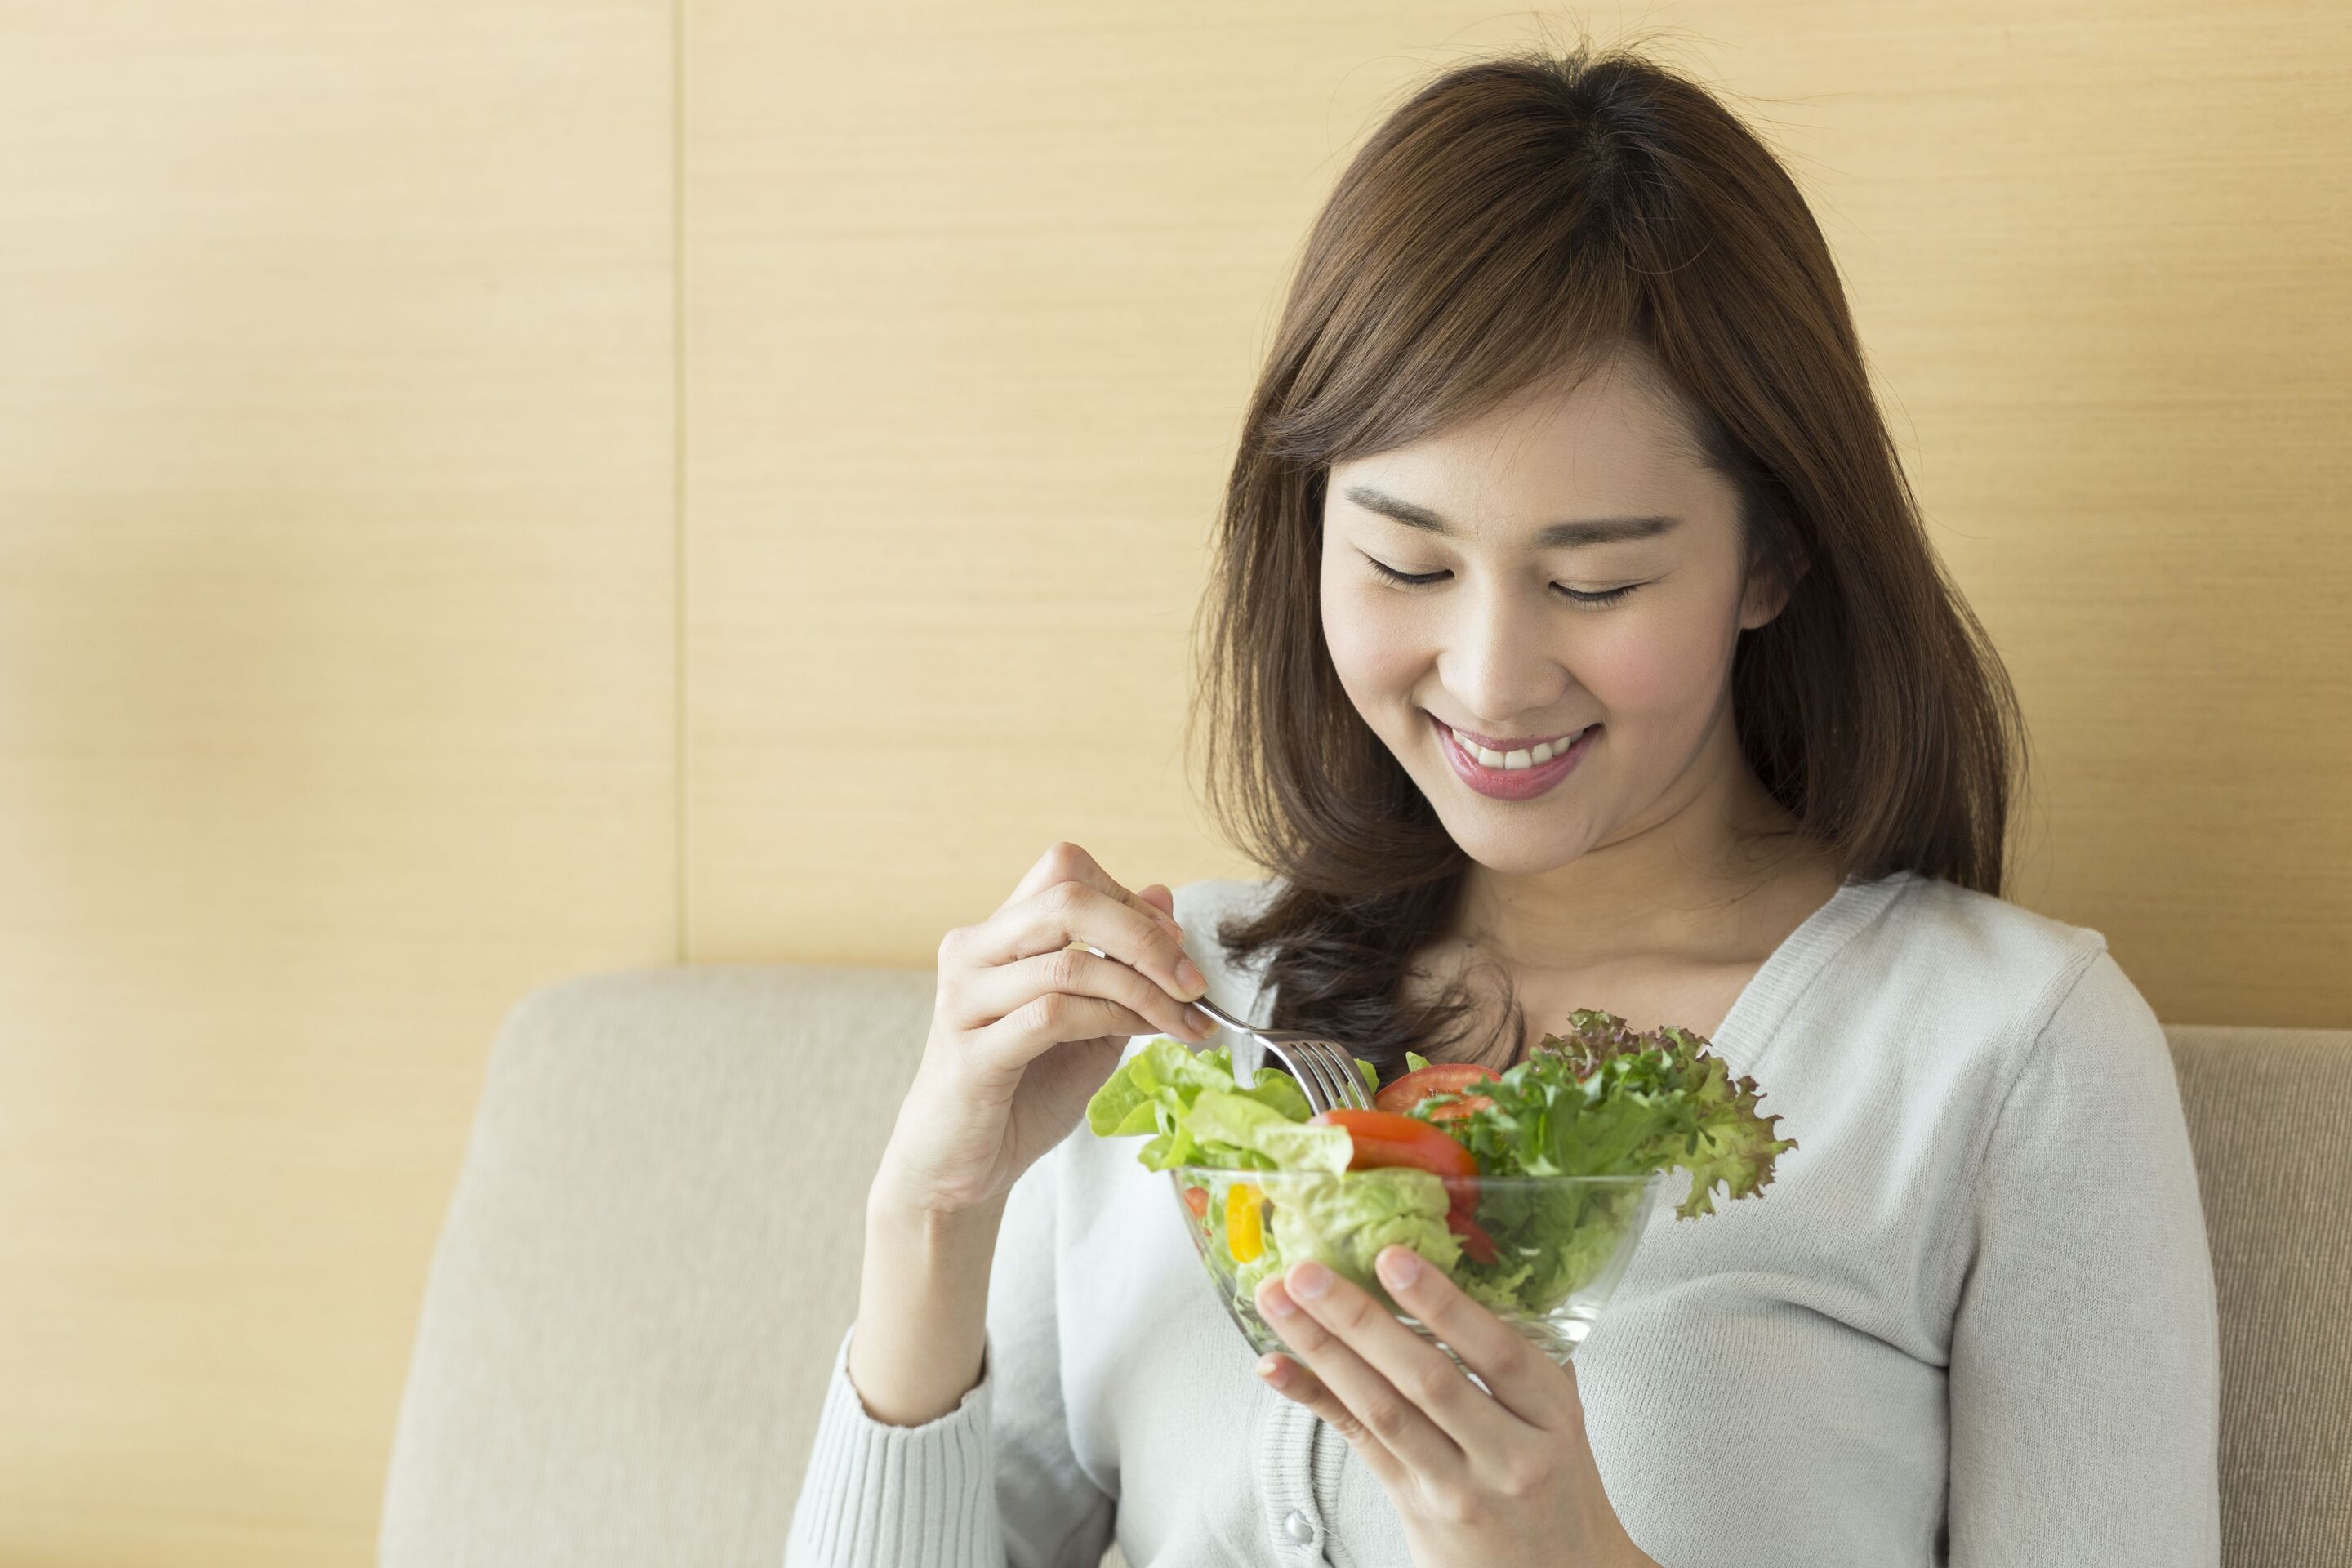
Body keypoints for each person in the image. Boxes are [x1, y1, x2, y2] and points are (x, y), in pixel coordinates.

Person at [786, 38, 2219, 1568]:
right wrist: (929, 1220)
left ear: (1775, 558)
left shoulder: (1997, 1060)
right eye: (1407, 565)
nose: (1490, 676)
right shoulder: (1181, 1016)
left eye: (1595, 581)